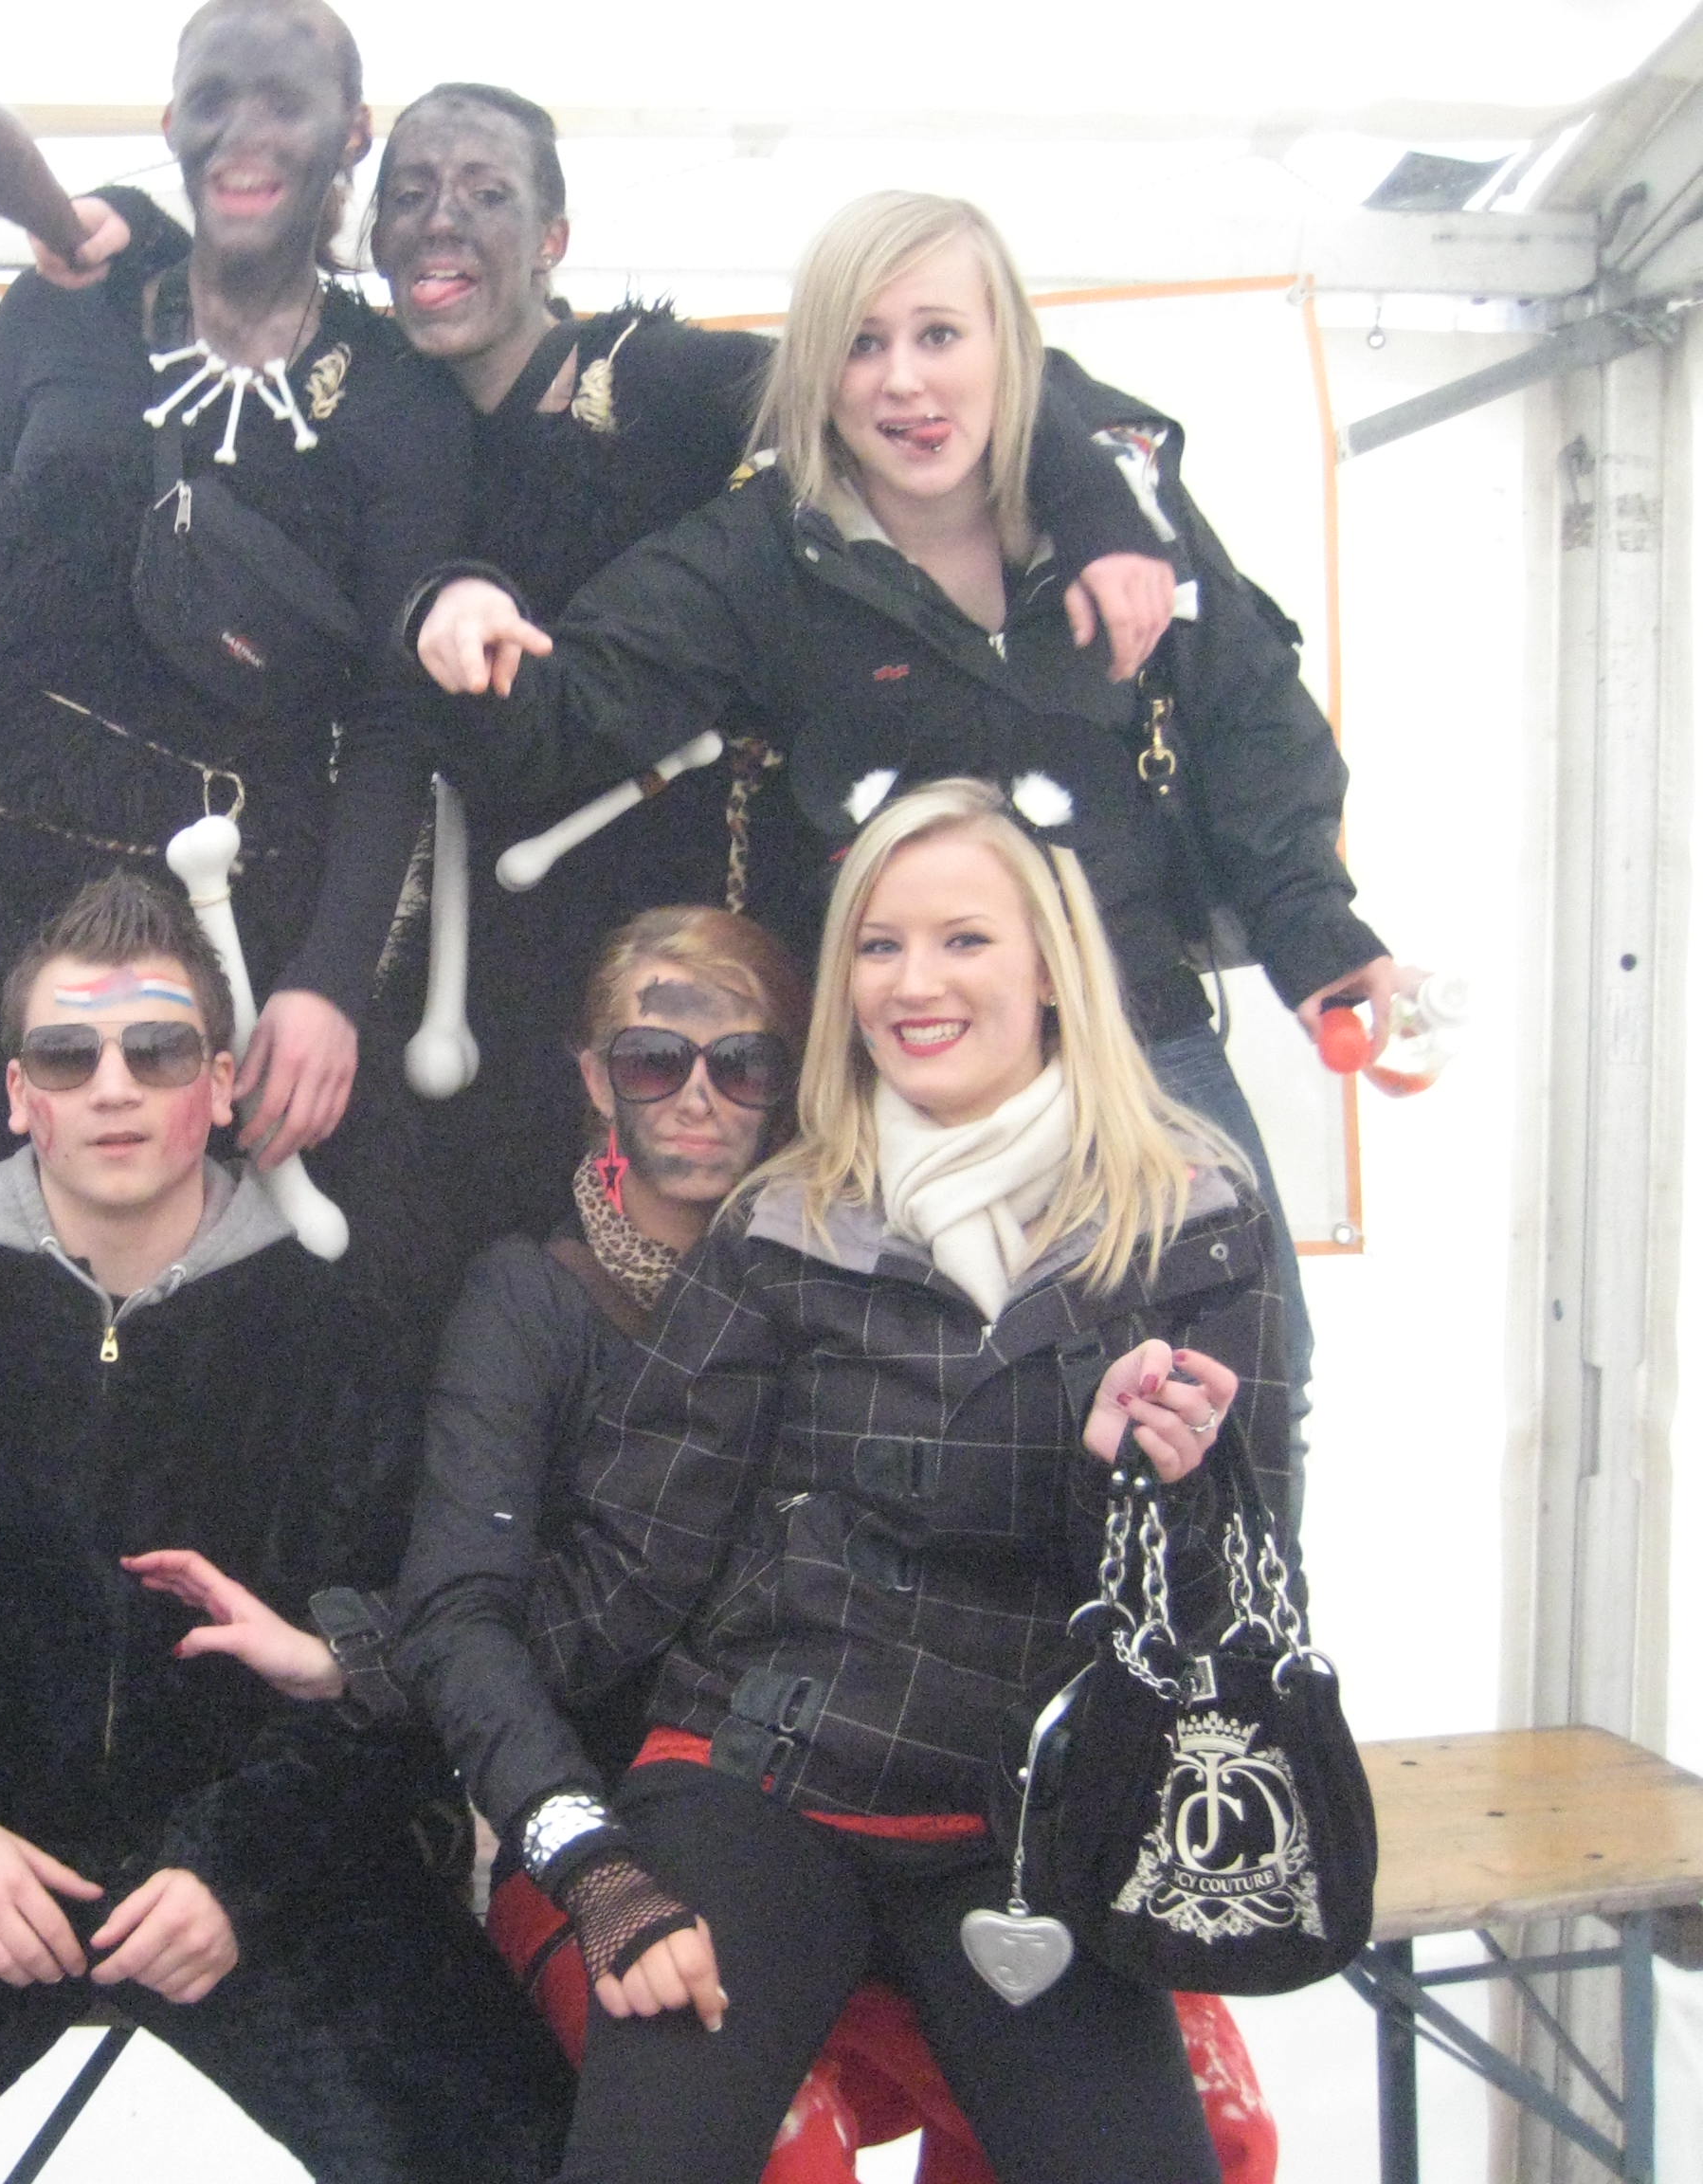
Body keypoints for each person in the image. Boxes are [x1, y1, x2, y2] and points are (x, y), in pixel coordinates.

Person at [136, 902, 1277, 2184]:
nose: (696, 1097)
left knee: (1217, 2126)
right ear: (593, 1079)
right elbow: (547, 1595)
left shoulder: (862, 1270)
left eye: (744, 1065)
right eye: (652, 1061)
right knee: (787, 2157)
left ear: (797, 1081)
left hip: (903, 1801)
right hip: (617, 1809)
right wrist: (377, 1663)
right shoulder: (530, 1301)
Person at [413, 191, 1398, 1463]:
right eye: (861, 345)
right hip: (896, 1052)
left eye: (940, 335)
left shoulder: (1121, 506)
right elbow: (563, 715)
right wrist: (459, 616)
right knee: (925, 1411)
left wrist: (1318, 931)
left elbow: (1251, 718)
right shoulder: (761, 550)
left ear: (1009, 351)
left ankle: (1217, 1603)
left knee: (1250, 1379)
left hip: (1134, 1026)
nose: (904, 383)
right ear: (816, 376)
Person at [0, 871, 571, 2184]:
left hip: (276, 1875)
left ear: (220, 1083)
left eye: (158, 1051)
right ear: (16, 1091)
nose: (113, 1087)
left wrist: (236, 1872)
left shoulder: (344, 1345)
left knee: (497, 2140)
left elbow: (402, 1661)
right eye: (67, 1054)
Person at [540, 777, 1288, 2183]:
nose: (914, 982)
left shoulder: (1193, 1218)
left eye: (964, 940)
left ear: (1053, 968)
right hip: (764, 1775)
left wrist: (1145, 1490)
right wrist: (384, 1660)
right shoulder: (787, 1216)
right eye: (879, 945)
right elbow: (639, 1549)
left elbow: (1239, 1608)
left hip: (1036, 1814)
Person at [364, 94, 1185, 1265]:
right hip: (467, 923)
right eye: (409, 194)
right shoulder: (360, 403)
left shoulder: (662, 377)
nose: (443, 220)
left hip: (683, 921)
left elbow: (924, 390)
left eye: (487, 193)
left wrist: (1099, 511)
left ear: (554, 237)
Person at [0, 0, 473, 1283]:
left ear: (351, 133)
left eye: (284, 101)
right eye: (213, 98)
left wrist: (327, 984)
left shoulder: (400, 400)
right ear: (170, 122)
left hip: (222, 945)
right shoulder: (75, 299)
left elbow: (392, 723)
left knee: (203, 1327)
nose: (243, 132)